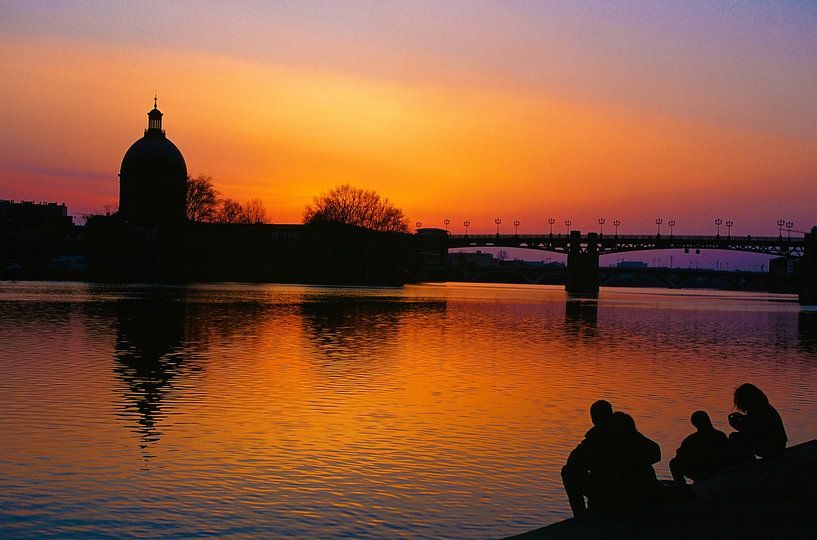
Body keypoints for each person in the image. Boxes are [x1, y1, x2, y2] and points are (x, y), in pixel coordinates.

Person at [561, 401, 661, 516]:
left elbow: (572, 464)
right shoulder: (628, 432)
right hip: (622, 488)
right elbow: (656, 453)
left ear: (593, 419)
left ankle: (581, 516)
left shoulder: (597, 438)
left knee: (567, 472)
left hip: (614, 490)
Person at [728, 383, 787, 460]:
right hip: (779, 447)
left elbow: (753, 433)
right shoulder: (764, 408)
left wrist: (736, 425)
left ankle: (746, 462)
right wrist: (743, 418)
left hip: (772, 448)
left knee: (735, 437)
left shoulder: (758, 410)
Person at [669, 410, 730, 485]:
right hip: (715, 469)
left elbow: (680, 456)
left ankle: (681, 486)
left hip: (705, 469)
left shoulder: (691, 440)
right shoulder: (721, 435)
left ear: (695, 424)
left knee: (673, 463)